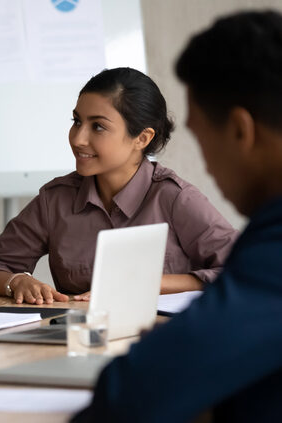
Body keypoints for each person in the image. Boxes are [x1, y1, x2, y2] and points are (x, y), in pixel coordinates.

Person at [73, 10, 282, 422]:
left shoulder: (273, 247)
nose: (206, 164)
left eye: (201, 135)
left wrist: (171, 353)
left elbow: (128, 397)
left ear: (241, 131)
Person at [0, 67, 237, 305]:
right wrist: (16, 281)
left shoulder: (175, 198)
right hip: (79, 344)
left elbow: (249, 269)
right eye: (77, 121)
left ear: (142, 138)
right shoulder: (55, 200)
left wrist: (150, 283)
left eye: (98, 127)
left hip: (164, 343)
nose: (78, 138)